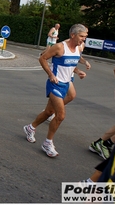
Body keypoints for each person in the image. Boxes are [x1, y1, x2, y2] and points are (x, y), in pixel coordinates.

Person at [23, 24, 88, 157]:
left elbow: (71, 63)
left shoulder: (78, 48)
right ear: (73, 35)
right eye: (82, 36)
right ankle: (48, 142)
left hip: (66, 83)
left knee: (48, 112)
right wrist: (51, 75)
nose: (83, 39)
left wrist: (78, 71)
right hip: (55, 84)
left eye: (85, 37)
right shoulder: (60, 47)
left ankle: (30, 127)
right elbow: (42, 58)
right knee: (60, 115)